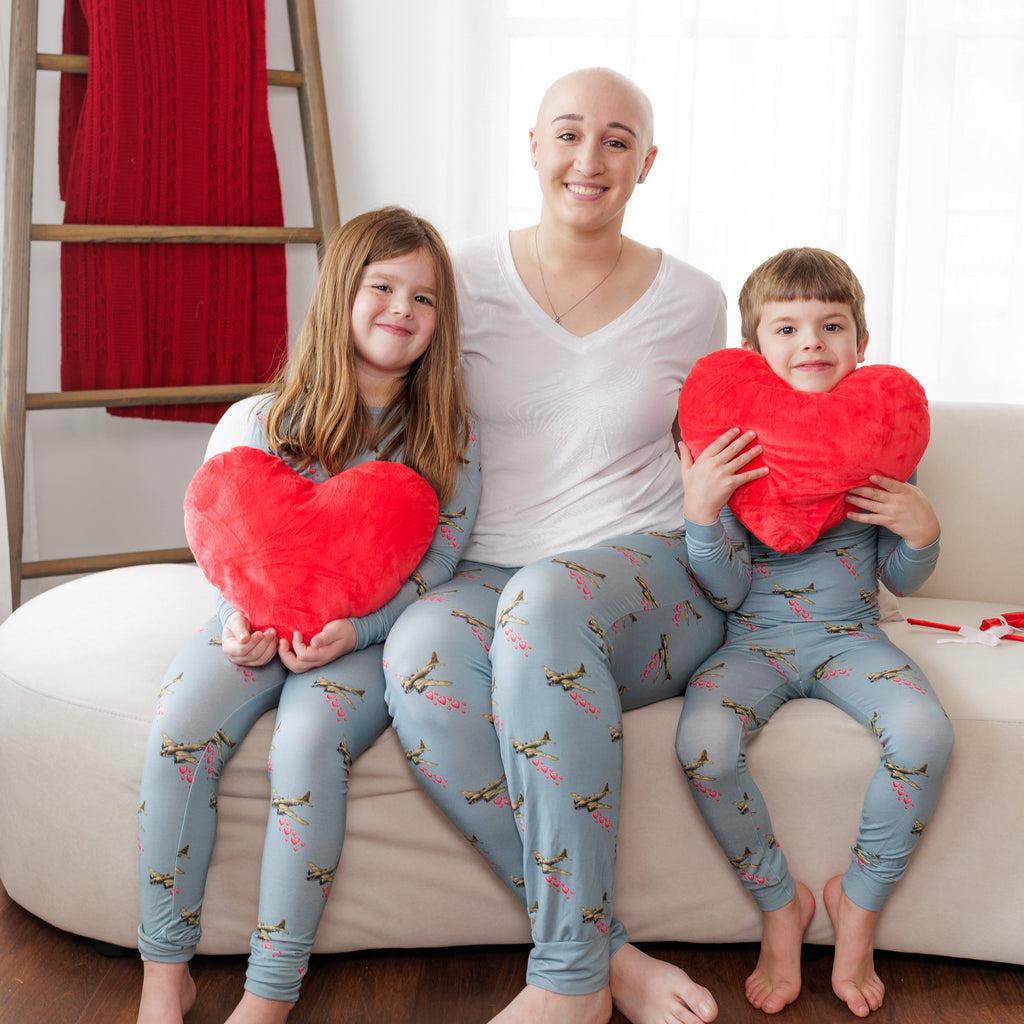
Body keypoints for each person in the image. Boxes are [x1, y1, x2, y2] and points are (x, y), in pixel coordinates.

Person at [382, 68, 727, 1024]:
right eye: (568, 133)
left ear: (646, 163)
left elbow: (730, 451)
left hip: (645, 573)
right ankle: (611, 958)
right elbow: (377, 393)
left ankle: (566, 985)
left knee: (545, 600)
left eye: (618, 141)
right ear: (532, 146)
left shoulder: (696, 300)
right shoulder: (460, 277)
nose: (590, 158)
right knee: (416, 657)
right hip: (491, 568)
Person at [135, 206, 480, 1024]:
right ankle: (162, 970)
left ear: (442, 322)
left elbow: (436, 572)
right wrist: (234, 620)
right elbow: (223, 540)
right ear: (340, 297)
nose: (403, 308)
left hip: (364, 636)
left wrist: (354, 634)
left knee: (306, 743)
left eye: (425, 299)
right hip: (252, 622)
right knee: (179, 730)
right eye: (383, 286)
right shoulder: (261, 420)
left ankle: (269, 991)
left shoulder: (448, 440)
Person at [674, 247, 954, 1018]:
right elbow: (727, 586)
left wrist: (922, 530)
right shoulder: (739, 439)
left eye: (832, 325)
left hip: (852, 640)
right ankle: (779, 901)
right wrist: (702, 512)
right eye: (788, 327)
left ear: (860, 343)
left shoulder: (878, 432)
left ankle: (856, 906)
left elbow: (899, 576)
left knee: (926, 735)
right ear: (755, 348)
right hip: (751, 643)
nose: (812, 343)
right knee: (702, 745)